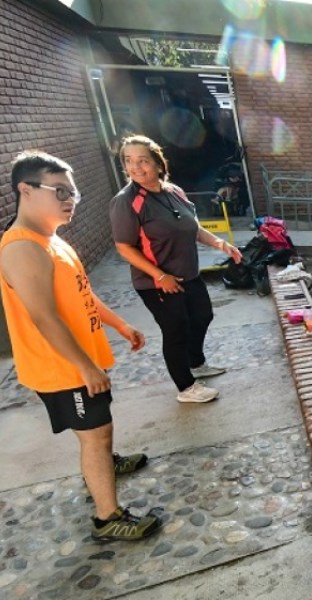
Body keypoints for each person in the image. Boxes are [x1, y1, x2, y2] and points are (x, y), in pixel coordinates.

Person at [2, 151, 161, 541]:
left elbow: (82, 295)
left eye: (73, 193)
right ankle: (108, 517)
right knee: (96, 431)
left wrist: (119, 323)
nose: (69, 200)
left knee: (95, 429)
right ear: (25, 190)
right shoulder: (23, 248)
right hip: (62, 367)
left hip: (78, 359)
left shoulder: (52, 241)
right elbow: (44, 317)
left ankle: (103, 461)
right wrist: (85, 368)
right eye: (59, 191)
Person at [110, 135, 241, 404]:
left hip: (189, 273)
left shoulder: (174, 192)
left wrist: (220, 243)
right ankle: (186, 386)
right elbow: (124, 247)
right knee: (176, 330)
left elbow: (192, 227)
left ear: (158, 164)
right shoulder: (127, 201)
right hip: (156, 282)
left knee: (202, 315)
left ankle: (195, 363)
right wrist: (160, 275)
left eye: (142, 161)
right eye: (128, 161)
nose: (135, 167)